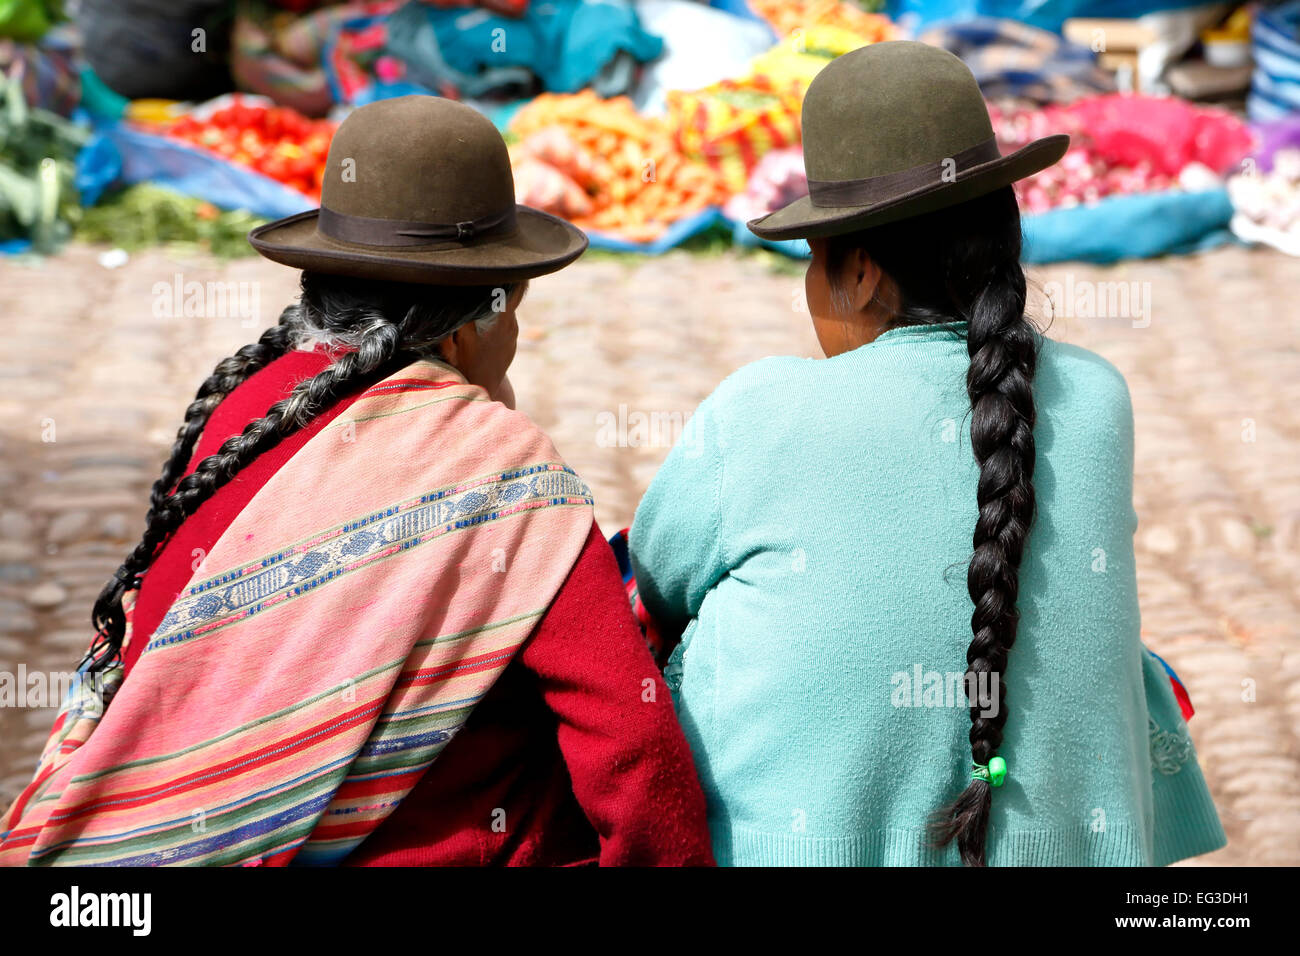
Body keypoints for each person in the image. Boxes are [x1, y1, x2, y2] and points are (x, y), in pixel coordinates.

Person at [0, 96, 713, 867]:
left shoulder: (240, 409)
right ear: (474, 324)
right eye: (514, 311)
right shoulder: (497, 474)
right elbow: (630, 747)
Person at [629, 42, 1226, 867]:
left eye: (814, 263)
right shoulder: (1097, 398)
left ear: (863, 272)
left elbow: (657, 589)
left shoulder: (759, 409)